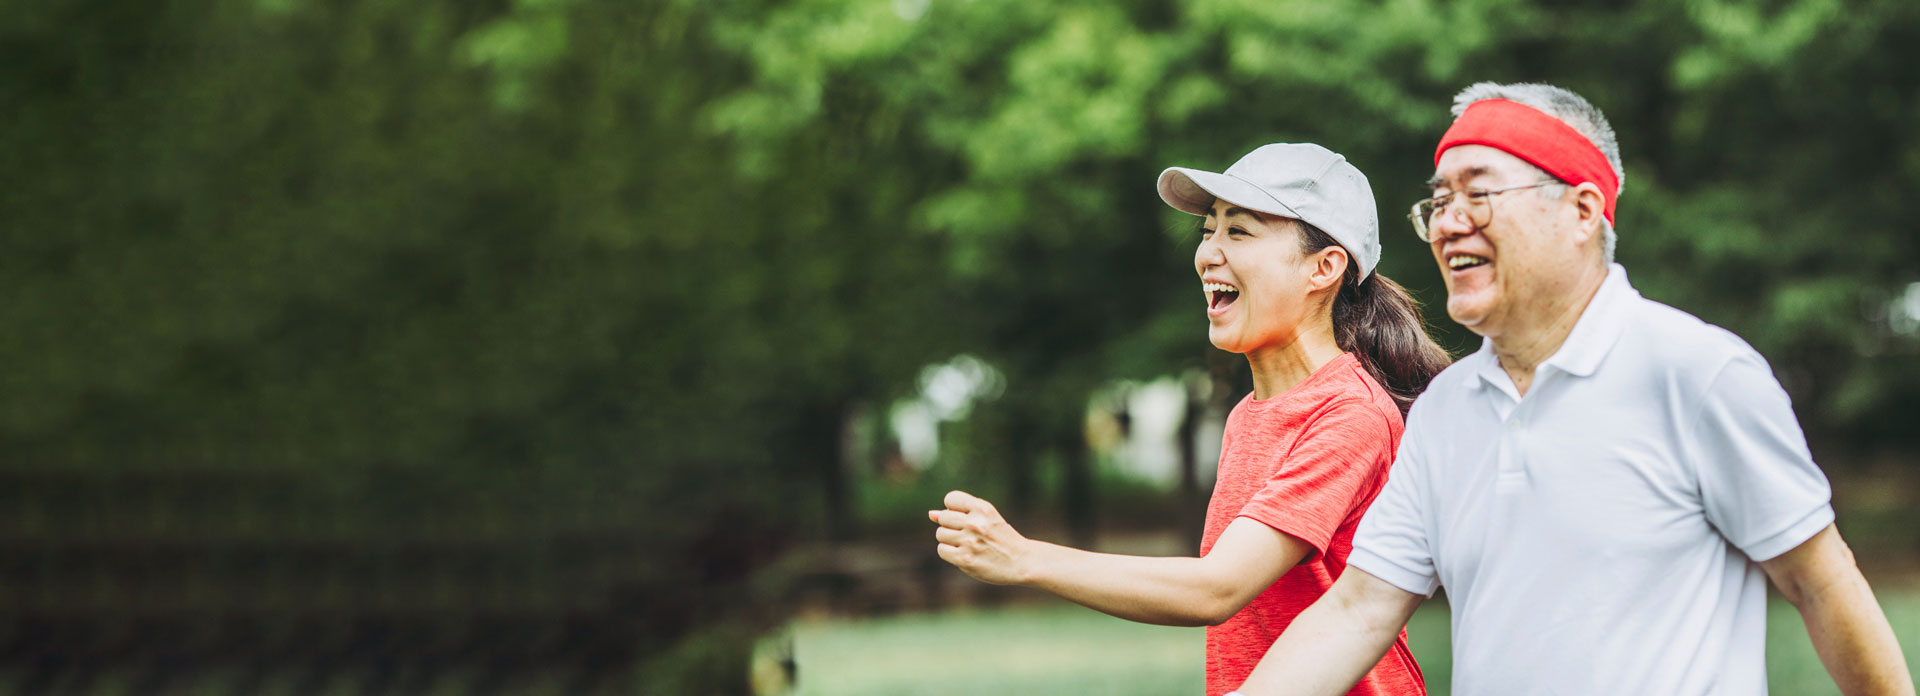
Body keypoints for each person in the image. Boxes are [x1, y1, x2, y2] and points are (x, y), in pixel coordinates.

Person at [1230, 83, 1916, 696]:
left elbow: (1820, 583)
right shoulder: (1445, 411)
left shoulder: (1697, 372)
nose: (1447, 221)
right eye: (1438, 200)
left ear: (1583, 211)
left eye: (1478, 193)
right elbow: (1358, 611)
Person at [929, 143, 1450, 696]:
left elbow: (1216, 590)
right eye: (1208, 231)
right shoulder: (1248, 416)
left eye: (1240, 232)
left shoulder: (1349, 415)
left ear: (1323, 268)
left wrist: (1024, 557)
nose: (1208, 255)